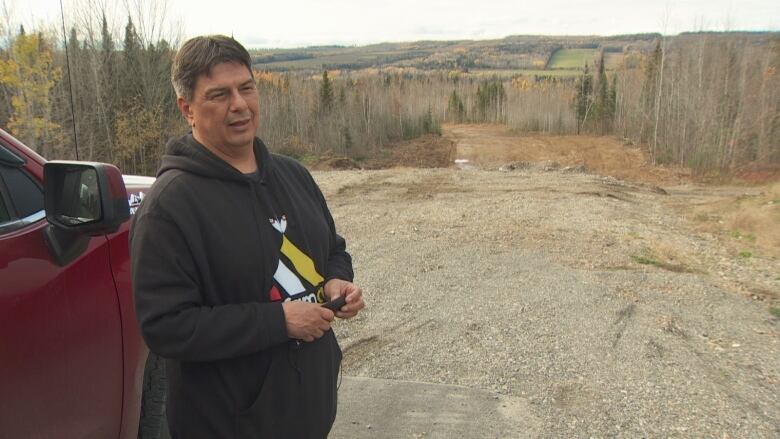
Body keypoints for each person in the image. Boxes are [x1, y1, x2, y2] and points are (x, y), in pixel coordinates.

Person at [130, 35, 364, 438]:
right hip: (227, 425)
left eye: (246, 88)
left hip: (307, 412)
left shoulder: (293, 175)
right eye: (219, 95)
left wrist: (336, 280)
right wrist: (279, 322)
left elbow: (333, 248)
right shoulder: (169, 208)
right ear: (187, 108)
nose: (238, 105)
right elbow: (166, 326)